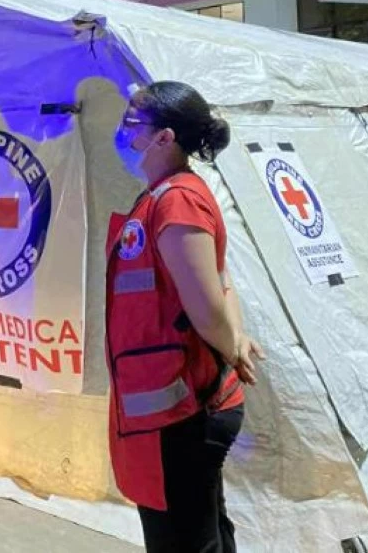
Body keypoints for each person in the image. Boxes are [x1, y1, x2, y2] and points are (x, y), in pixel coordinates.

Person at [105, 81, 265, 553]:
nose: (123, 131)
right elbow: (219, 280)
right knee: (204, 530)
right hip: (172, 404)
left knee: (183, 540)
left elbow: (207, 301)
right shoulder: (162, 196)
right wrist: (233, 338)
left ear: (165, 138)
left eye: (133, 122)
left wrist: (231, 342)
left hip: (184, 408)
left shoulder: (177, 201)